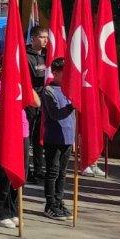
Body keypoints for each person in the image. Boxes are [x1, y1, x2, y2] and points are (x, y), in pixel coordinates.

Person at [0, 60, 36, 228]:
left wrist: (26, 84)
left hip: (22, 133)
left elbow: (36, 102)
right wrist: (11, 106)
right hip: (1, 134)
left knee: (19, 173)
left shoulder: (20, 84)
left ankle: (13, 209)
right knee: (2, 174)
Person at [41, 58, 75, 221]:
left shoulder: (70, 90)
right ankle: (50, 204)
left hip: (67, 138)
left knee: (62, 173)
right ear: (55, 73)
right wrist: (71, 106)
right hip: (54, 138)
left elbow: (73, 118)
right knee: (53, 172)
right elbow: (55, 114)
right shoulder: (49, 91)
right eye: (64, 73)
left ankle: (59, 201)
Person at [25, 26, 48, 184]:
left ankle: (39, 169)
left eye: (47, 37)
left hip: (46, 102)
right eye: (42, 37)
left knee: (40, 138)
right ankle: (27, 170)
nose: (45, 40)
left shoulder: (48, 55)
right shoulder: (26, 56)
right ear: (33, 38)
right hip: (31, 102)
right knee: (29, 137)